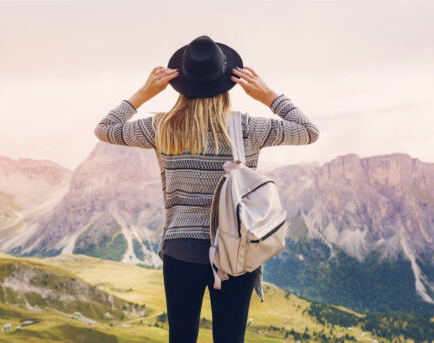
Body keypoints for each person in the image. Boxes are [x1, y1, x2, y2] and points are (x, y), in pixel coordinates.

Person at [94, 35, 319, 343]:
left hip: (180, 248)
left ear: (180, 83)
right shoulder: (247, 128)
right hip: (235, 251)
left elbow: (104, 129)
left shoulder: (160, 127)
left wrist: (143, 94)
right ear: (226, 82)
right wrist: (268, 95)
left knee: (181, 337)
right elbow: (309, 131)